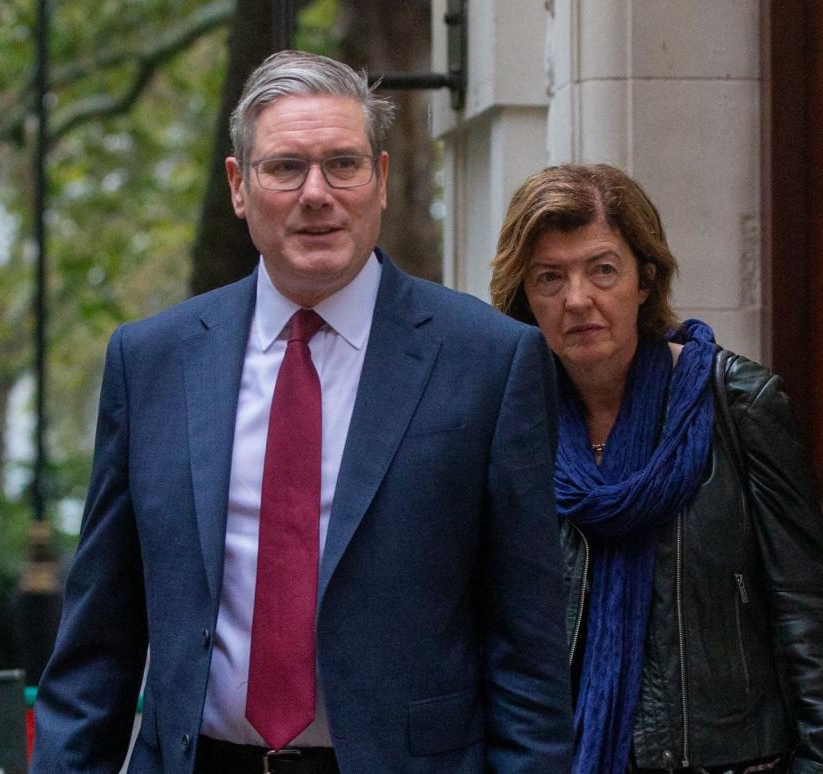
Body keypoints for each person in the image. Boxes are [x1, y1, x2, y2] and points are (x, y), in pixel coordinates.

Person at [30, 51, 572, 774]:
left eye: (342, 164)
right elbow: (99, 638)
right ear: (238, 187)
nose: (317, 193)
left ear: (380, 180)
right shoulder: (152, 362)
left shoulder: (489, 362)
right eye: (285, 168)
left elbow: (527, 653)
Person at [489, 164, 823, 774]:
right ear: (524, 295)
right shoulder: (506, 423)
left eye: (603, 269)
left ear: (645, 277)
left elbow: (810, 620)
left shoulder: (736, 404)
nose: (578, 298)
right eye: (549, 277)